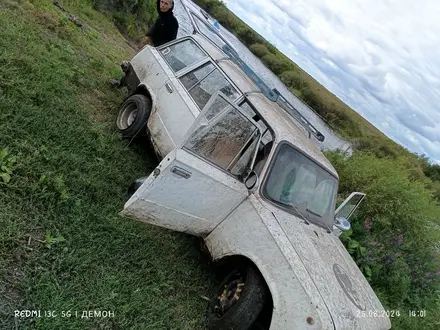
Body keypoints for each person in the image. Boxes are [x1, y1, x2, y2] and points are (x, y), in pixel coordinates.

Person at [111, 0, 179, 88]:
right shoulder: (162, 14)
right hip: (149, 46)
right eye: (162, 2)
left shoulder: (173, 22)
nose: (162, 5)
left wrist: (155, 47)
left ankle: (132, 89)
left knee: (142, 70)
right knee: (133, 64)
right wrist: (147, 36)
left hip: (156, 51)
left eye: (166, 4)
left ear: (171, 6)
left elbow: (171, 42)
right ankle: (121, 83)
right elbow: (155, 29)